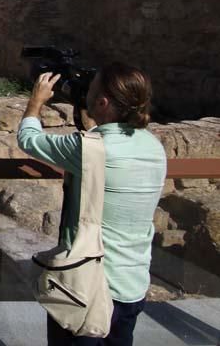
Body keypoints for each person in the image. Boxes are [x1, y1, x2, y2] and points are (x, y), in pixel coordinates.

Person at [18, 62, 167, 345]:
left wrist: (36, 101)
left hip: (86, 287)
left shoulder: (89, 148)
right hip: (132, 284)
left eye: (92, 89)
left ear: (102, 102)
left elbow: (28, 139)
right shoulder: (153, 146)